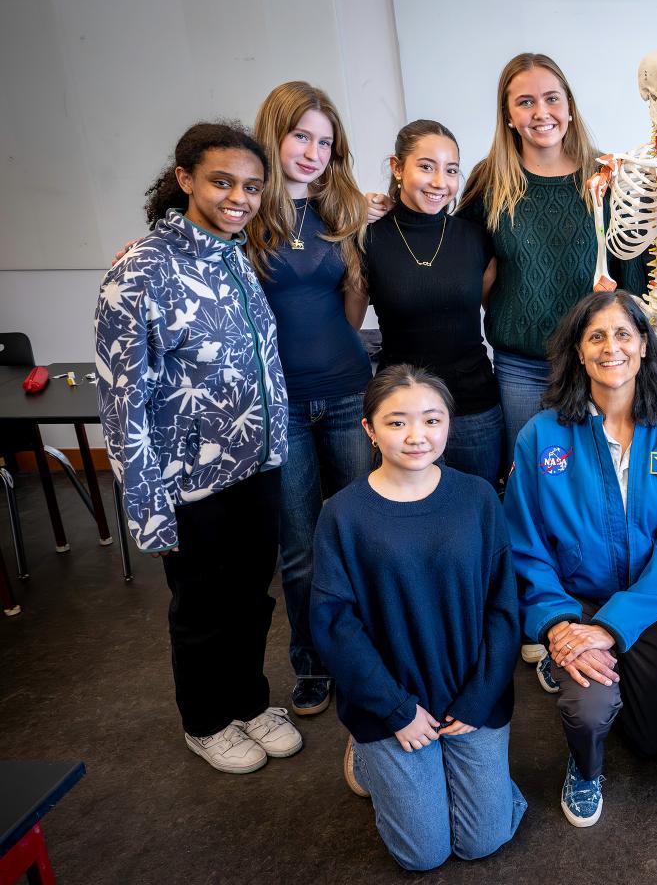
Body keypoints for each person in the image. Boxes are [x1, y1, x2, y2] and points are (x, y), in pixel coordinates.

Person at [95, 121, 300, 774]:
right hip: (188, 481)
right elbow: (122, 400)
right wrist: (149, 509)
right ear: (185, 179)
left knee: (251, 597)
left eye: (252, 187)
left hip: (255, 464)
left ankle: (248, 700)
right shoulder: (141, 270)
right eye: (222, 182)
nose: (239, 198)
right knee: (203, 607)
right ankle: (206, 720)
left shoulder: (235, 255)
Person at [505, 291, 657, 828]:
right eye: (596, 336)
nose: (610, 347)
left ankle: (588, 662)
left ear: (644, 345)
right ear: (578, 351)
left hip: (647, 603)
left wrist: (611, 628)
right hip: (574, 603)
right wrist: (558, 625)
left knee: (651, 740)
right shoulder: (541, 435)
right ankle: (584, 765)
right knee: (590, 711)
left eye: (623, 334)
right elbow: (525, 545)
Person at [311, 365, 525, 871]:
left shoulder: (478, 497)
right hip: (392, 701)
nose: (417, 436)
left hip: (470, 694)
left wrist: (480, 696)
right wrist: (394, 709)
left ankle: (460, 782)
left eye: (432, 420)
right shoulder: (342, 513)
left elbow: (503, 606)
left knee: (482, 841)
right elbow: (334, 623)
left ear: (449, 423)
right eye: (397, 422)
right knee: (423, 854)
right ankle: (368, 758)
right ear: (369, 429)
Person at [248, 80, 374, 717]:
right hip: (283, 407)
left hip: (349, 393)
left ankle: (368, 654)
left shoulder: (341, 210)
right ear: (273, 135)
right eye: (301, 136)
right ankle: (313, 661)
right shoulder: (246, 216)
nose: (313, 153)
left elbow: (352, 302)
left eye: (325, 143)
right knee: (299, 550)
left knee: (360, 535)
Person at [458, 53, 647, 456]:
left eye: (552, 99)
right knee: (531, 475)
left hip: (600, 362)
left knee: (597, 475)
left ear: (570, 107)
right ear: (508, 116)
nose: (541, 113)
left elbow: (631, 277)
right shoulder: (490, 181)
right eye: (525, 102)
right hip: (522, 369)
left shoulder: (608, 176)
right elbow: (456, 260)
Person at [365, 119, 504, 485]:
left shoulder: (475, 238)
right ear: (397, 168)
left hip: (474, 410)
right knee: (407, 511)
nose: (440, 182)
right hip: (402, 413)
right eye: (426, 167)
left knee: (481, 506)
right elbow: (348, 321)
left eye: (451, 170)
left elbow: (493, 310)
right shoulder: (369, 239)